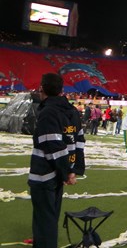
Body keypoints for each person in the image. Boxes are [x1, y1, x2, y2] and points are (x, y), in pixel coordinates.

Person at [29, 73, 85, 248]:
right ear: (61, 90)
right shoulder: (72, 111)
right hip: (60, 175)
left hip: (45, 175)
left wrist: (67, 172)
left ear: (42, 88)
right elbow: (79, 142)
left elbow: (53, 146)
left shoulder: (48, 112)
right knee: (51, 216)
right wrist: (73, 170)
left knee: (44, 218)